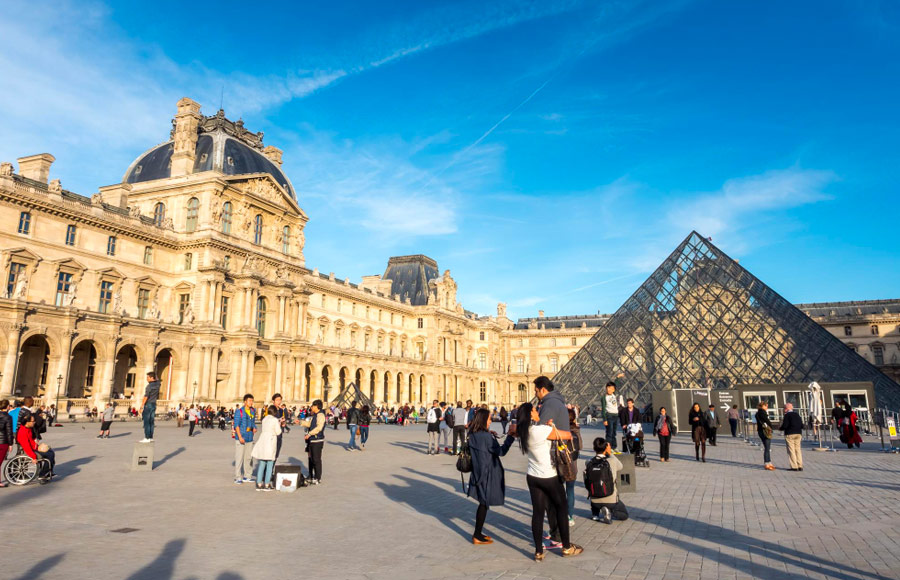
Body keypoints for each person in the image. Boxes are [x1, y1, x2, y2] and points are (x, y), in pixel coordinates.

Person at [514, 403, 582, 560]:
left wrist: (545, 425)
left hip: (532, 476)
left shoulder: (524, 431)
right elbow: (567, 435)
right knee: (561, 508)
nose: (537, 411)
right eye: (534, 410)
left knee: (537, 513)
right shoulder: (541, 430)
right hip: (548, 476)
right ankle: (566, 547)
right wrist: (551, 426)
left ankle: (538, 551)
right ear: (531, 414)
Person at [466, 408, 515, 545]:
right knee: (484, 504)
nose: (490, 421)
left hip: (477, 472)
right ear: (483, 420)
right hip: (487, 472)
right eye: (489, 419)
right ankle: (476, 535)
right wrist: (511, 437)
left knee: (483, 503)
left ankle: (478, 532)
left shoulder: (472, 433)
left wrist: (489, 434)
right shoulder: (486, 437)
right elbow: (501, 452)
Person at [533, 375, 570, 549]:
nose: (535, 393)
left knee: (551, 501)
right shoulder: (557, 402)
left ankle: (556, 536)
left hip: (551, 458)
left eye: (536, 390)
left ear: (543, 389)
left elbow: (541, 431)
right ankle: (557, 533)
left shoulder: (548, 404)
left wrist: (533, 421)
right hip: (558, 454)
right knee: (555, 499)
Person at [585, 437, 628, 524]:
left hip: (594, 500)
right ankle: (609, 510)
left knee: (595, 486)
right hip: (610, 499)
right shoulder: (611, 461)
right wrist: (610, 452)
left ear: (594, 448)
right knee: (624, 515)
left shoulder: (589, 462)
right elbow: (621, 466)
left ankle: (595, 514)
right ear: (606, 448)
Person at [251, 405, 282, 491]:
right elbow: (278, 432)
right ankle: (267, 484)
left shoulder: (264, 419)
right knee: (270, 464)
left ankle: (259, 483)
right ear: (275, 412)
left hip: (263, 441)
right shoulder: (275, 420)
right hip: (271, 442)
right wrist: (279, 423)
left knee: (262, 464)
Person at [17, 413, 54, 482]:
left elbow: (30, 441)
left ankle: (48, 471)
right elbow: (26, 447)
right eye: (33, 421)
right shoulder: (23, 432)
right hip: (28, 452)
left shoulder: (28, 429)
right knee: (49, 455)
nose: (34, 422)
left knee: (50, 451)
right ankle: (42, 474)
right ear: (27, 422)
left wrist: (37, 446)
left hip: (32, 449)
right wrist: (33, 457)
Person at [298, 399, 325, 485]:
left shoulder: (320, 415)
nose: (311, 407)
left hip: (317, 439)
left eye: (313, 406)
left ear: (316, 406)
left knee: (316, 459)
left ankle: (318, 477)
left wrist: (309, 434)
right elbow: (310, 424)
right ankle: (313, 476)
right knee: (313, 459)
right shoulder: (316, 415)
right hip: (313, 440)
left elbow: (319, 428)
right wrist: (300, 422)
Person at [233, 394, 257, 484]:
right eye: (250, 401)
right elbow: (236, 425)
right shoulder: (239, 412)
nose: (251, 402)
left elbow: (253, 422)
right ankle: (238, 477)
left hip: (250, 437)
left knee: (249, 458)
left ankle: (247, 476)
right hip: (241, 437)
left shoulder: (252, 411)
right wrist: (239, 437)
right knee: (239, 458)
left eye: (252, 401)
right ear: (245, 402)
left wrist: (254, 427)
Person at [565, 408, 582, 527]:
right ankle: (570, 516)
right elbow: (580, 446)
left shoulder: (559, 429)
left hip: (559, 465)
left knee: (559, 492)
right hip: (572, 466)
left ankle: (559, 515)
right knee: (570, 491)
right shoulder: (576, 430)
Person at [600, 379, 624, 450]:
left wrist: (617, 378)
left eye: (611, 388)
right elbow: (603, 409)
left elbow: (615, 384)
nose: (609, 389)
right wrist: (605, 419)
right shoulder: (604, 397)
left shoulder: (613, 395)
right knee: (609, 433)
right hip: (609, 416)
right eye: (608, 388)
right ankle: (608, 447)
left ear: (613, 390)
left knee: (614, 433)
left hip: (615, 416)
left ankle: (614, 447)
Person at [779, 403, 803, 471]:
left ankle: (794, 466)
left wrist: (780, 428)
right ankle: (800, 465)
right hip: (798, 433)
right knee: (798, 449)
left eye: (784, 408)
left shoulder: (787, 415)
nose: (783, 410)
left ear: (786, 409)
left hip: (790, 434)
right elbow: (802, 425)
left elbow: (785, 425)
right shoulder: (797, 414)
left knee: (791, 450)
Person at [139, 372, 160, 443]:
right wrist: (154, 374)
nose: (146, 379)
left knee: (146, 422)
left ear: (151, 378)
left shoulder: (149, 386)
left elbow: (146, 396)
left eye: (148, 377)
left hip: (148, 404)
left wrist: (142, 406)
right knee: (151, 421)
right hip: (154, 404)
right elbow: (158, 379)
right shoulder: (158, 384)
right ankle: (150, 437)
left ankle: (146, 437)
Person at [756, 401, 775, 471]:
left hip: (760, 431)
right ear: (762, 406)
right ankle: (767, 463)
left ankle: (768, 462)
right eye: (766, 406)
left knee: (766, 447)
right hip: (765, 431)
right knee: (767, 448)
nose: (767, 407)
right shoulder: (763, 413)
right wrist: (771, 428)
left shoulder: (757, 413)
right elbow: (767, 421)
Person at [0, 399, 11, 487]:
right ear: (7, 406)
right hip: (3, 442)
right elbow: (9, 431)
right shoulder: (8, 416)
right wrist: (11, 444)